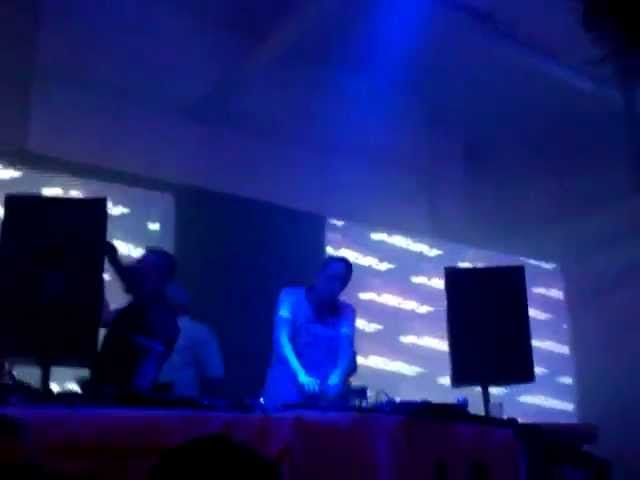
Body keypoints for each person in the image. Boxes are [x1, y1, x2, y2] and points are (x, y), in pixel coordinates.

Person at [262, 257, 356, 409]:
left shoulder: (347, 311)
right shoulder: (290, 297)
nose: (335, 285)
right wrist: (300, 374)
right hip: (287, 388)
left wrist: (337, 376)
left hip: (324, 393)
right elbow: (282, 339)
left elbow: (346, 347)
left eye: (342, 281)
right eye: (331, 278)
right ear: (319, 275)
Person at [92, 242, 180, 396]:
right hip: (118, 399)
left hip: (120, 402)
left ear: (157, 276)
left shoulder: (157, 314)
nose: (135, 268)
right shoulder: (141, 310)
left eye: (142, 265)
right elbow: (105, 318)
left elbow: (148, 362)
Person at [157, 283, 224, 398]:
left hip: (176, 402)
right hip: (181, 402)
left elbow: (214, 377)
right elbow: (214, 375)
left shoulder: (198, 331)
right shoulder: (200, 331)